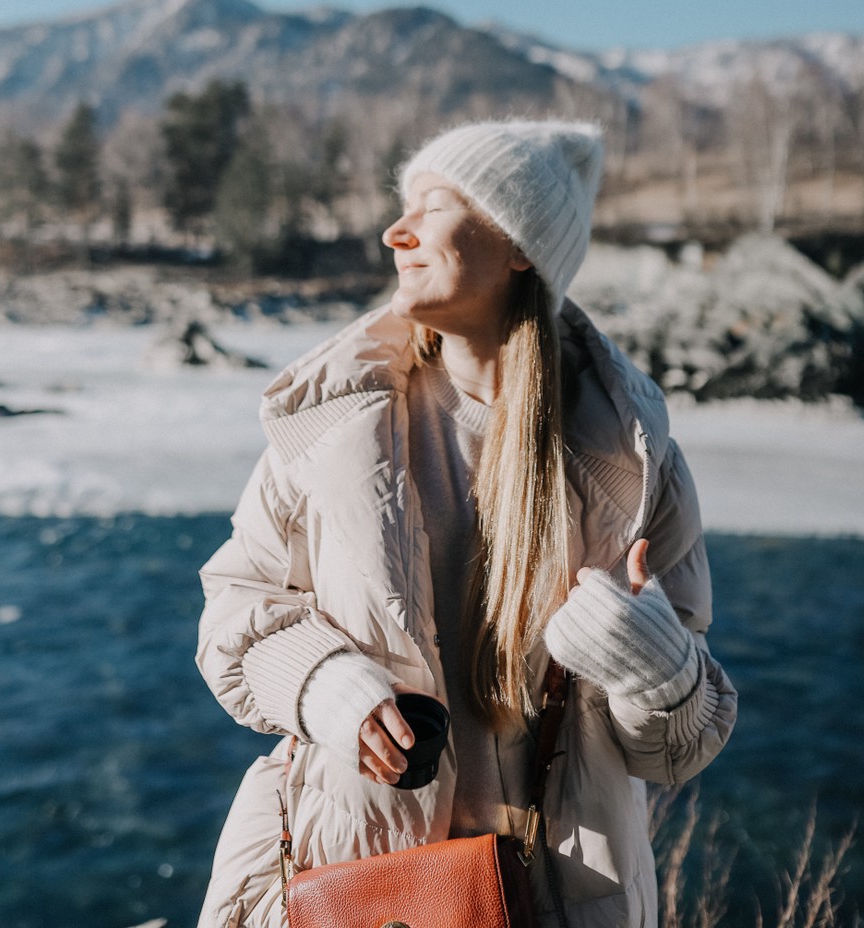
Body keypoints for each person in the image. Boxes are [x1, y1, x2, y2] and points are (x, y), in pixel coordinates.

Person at [195, 119, 737, 928]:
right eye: (402, 207)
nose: (395, 231)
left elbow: (679, 749)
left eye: (435, 205)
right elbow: (234, 614)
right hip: (358, 881)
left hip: (554, 899)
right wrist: (324, 686)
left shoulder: (633, 461)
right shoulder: (337, 425)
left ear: (520, 247)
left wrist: (653, 667)